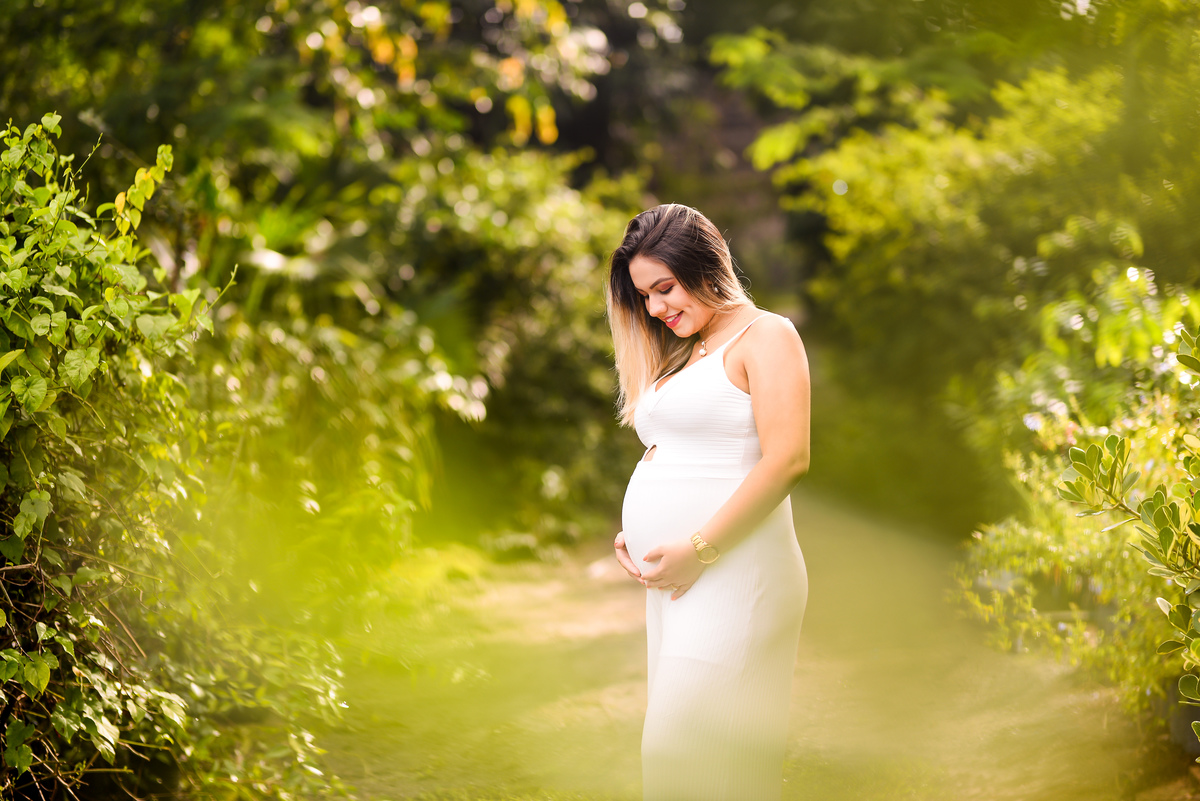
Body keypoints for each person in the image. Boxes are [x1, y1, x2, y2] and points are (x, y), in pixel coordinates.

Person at [605, 204, 811, 800]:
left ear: (704, 266)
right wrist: (638, 536)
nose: (656, 308)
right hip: (682, 581)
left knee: (681, 752)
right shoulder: (689, 353)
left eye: (664, 288)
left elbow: (787, 459)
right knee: (707, 769)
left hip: (737, 571)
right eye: (645, 296)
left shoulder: (766, 335)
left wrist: (699, 545)